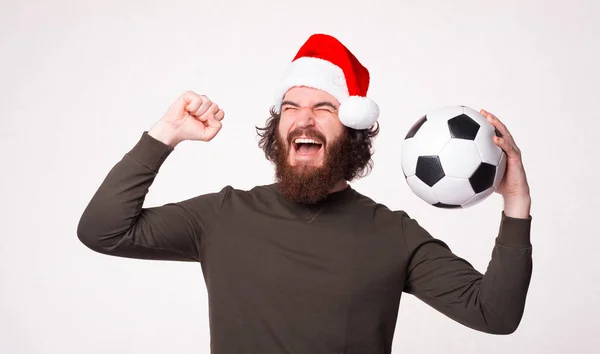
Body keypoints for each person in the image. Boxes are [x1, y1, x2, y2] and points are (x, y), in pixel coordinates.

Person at [77, 33, 533, 353]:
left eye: (324, 108)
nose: (304, 119)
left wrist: (516, 203)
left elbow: (494, 314)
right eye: (290, 107)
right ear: (278, 129)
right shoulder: (223, 216)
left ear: (353, 131)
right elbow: (103, 231)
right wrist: (165, 135)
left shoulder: (392, 234)